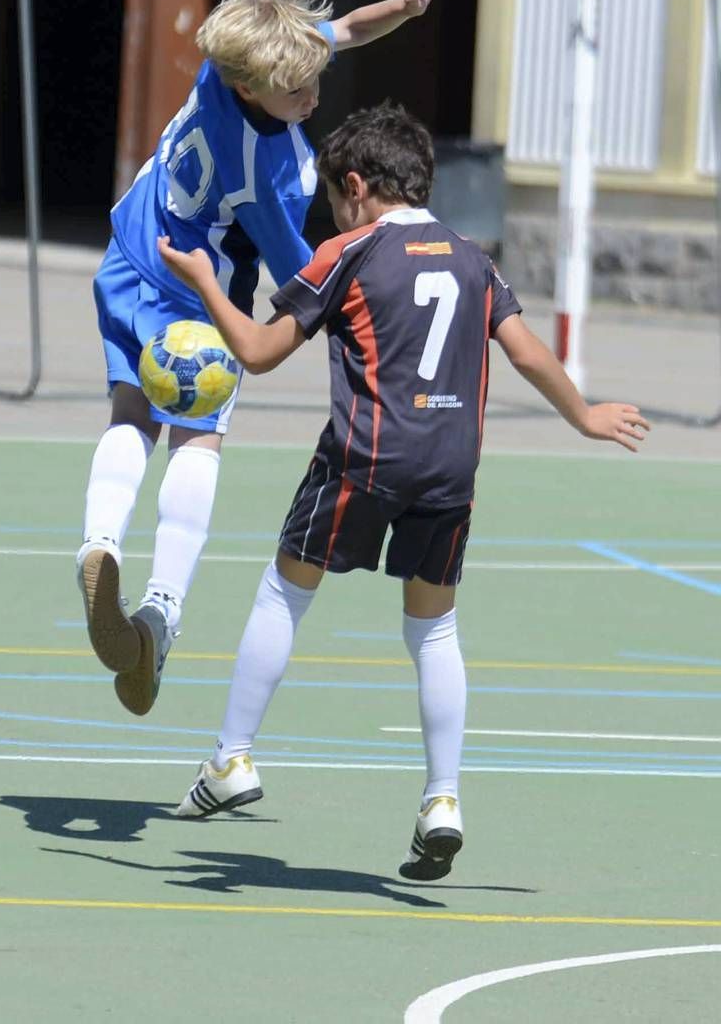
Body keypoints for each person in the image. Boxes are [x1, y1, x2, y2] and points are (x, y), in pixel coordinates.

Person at [157, 102, 650, 881]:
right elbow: (523, 355)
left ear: (355, 185)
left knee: (285, 594)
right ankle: (443, 799)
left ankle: (231, 758)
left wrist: (202, 284)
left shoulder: (346, 252)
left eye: (332, 194)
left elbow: (254, 351)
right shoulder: (472, 259)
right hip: (451, 470)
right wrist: (583, 414)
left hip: (363, 459)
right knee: (435, 631)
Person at [76, 0, 445, 717]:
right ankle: (160, 612)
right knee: (196, 440)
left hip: (130, 251)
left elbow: (339, 33)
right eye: (299, 91)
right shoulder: (268, 171)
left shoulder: (230, 63)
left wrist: (402, 9)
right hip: (195, 288)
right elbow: (299, 275)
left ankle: (97, 544)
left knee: (128, 412)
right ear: (254, 88)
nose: (313, 96)